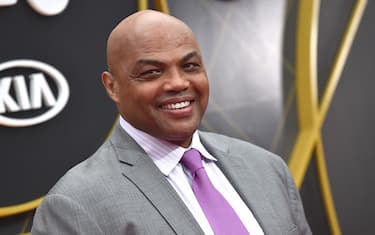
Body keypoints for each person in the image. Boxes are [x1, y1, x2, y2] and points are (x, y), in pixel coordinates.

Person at [31, 10, 312, 235]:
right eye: (152, 72)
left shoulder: (267, 168)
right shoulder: (75, 205)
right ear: (112, 86)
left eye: (190, 66)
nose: (178, 83)